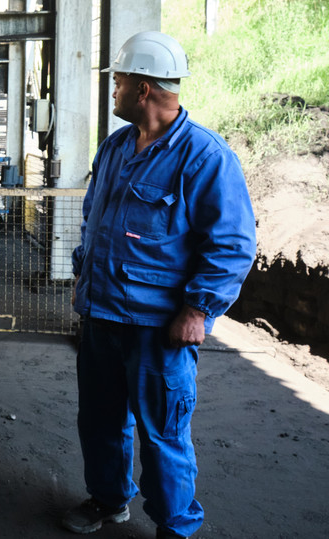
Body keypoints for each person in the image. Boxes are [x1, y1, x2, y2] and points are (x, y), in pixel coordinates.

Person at [63, 31, 257, 539]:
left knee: (163, 433)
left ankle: (176, 526)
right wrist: (84, 276)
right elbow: (94, 221)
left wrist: (198, 310)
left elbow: (233, 243)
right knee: (100, 421)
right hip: (102, 314)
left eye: (119, 80)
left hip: (157, 326)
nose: (113, 89)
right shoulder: (115, 147)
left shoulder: (205, 156)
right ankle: (109, 500)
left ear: (143, 88)